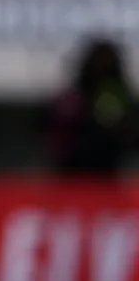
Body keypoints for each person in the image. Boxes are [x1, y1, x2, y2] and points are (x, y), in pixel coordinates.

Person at [45, 37, 137, 177]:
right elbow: (54, 140)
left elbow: (130, 136)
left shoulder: (122, 95)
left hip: (112, 172)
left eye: (107, 61)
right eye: (99, 60)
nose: (103, 65)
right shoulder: (73, 98)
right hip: (73, 172)